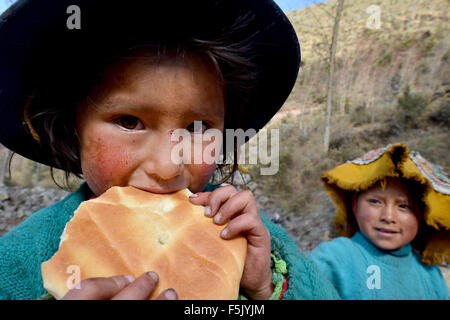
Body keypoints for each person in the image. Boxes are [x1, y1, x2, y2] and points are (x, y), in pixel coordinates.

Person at [0, 0, 339, 300]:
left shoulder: (248, 236)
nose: (167, 167)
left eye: (197, 128)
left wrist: (265, 289)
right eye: (129, 122)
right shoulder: (18, 261)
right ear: (73, 128)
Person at [309, 143, 449, 299]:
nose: (388, 217)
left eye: (404, 206)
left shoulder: (430, 274)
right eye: (375, 202)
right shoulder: (335, 258)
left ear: (422, 216)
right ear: (355, 207)